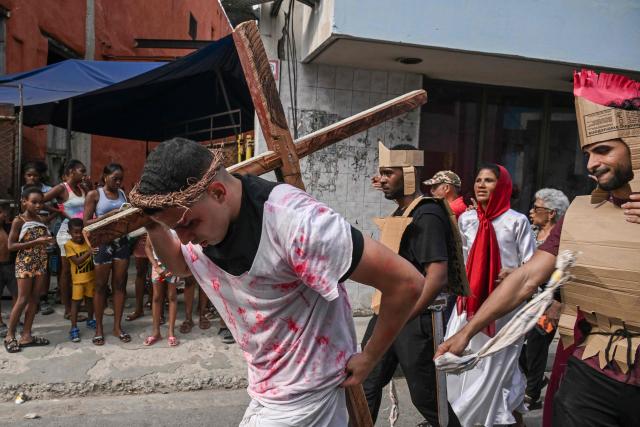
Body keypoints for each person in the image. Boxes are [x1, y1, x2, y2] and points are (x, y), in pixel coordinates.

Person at [128, 138, 426, 425]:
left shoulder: (299, 225)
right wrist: (154, 228)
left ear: (219, 193)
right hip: (266, 387)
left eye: (188, 225)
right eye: (174, 229)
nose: (185, 239)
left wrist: (371, 356)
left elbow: (406, 282)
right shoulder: (199, 217)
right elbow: (182, 264)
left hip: (309, 396)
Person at [436, 69, 640, 427]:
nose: (591, 164)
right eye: (588, 153)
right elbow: (528, 276)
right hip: (591, 373)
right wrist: (467, 332)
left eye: (604, 150)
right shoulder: (578, 215)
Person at [362, 143, 463, 426]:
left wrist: (404, 316)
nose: (381, 179)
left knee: (427, 398)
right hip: (388, 314)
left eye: (388, 173)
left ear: (410, 174)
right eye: (380, 173)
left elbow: (437, 276)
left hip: (414, 319)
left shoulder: (427, 215)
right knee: (363, 385)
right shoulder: (401, 214)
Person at [445, 163, 536, 427]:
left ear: (503, 186)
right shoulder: (467, 220)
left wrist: (514, 272)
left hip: (504, 311)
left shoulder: (516, 221)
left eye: (489, 180)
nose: (481, 185)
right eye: (478, 180)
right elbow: (462, 259)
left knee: (497, 371)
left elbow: (532, 266)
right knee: (464, 368)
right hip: (468, 306)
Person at [518, 188, 569, 408]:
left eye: (537, 208)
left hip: (549, 303)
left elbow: (565, 273)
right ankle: (537, 380)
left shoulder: (562, 238)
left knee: (537, 345)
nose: (531, 211)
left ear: (551, 213)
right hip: (526, 301)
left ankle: (532, 393)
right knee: (519, 347)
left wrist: (557, 304)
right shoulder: (529, 231)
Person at [3, 187, 57, 352]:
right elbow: (11, 246)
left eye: (41, 202)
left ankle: (26, 336)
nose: (38, 205)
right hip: (25, 263)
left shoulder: (41, 219)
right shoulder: (19, 221)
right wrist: (36, 242)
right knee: (22, 299)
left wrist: (49, 241)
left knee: (35, 299)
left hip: (40, 262)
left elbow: (44, 240)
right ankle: (10, 336)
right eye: (34, 202)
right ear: (24, 202)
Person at [83, 163, 131, 346]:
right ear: (104, 176)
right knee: (101, 287)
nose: (118, 182)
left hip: (121, 243)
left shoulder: (123, 194)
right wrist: (110, 215)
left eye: (120, 179)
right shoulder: (94, 194)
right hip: (102, 244)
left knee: (120, 285)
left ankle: (117, 327)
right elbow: (86, 223)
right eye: (115, 178)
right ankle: (99, 328)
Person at [44, 160, 88, 321]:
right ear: (70, 171)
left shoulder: (82, 188)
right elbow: (39, 200)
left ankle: (77, 302)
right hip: (66, 233)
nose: (84, 174)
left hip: (81, 233)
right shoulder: (62, 188)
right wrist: (57, 211)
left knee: (81, 268)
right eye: (81, 171)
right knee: (66, 271)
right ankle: (68, 308)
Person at [22, 161, 55, 316]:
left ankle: (43, 297)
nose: (32, 178)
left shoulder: (48, 190)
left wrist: (47, 220)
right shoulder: (23, 191)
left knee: (44, 266)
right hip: (27, 232)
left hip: (43, 230)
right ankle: (30, 298)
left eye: (35, 175)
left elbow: (57, 208)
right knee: (29, 264)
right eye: (29, 175)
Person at [144, 233, 179, 347]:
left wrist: (174, 266)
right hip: (157, 266)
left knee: (172, 296)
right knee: (157, 297)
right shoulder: (154, 226)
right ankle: (156, 332)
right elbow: (148, 247)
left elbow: (182, 247)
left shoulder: (175, 226)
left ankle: (171, 333)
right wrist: (156, 266)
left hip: (173, 266)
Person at [64, 218, 96, 343]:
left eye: (80, 232)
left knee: (89, 300)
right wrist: (89, 252)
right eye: (75, 232)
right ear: (69, 232)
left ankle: (90, 319)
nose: (78, 235)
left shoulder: (87, 242)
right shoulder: (68, 245)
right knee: (76, 304)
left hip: (90, 278)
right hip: (78, 281)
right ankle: (73, 327)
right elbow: (76, 262)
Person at [0, 205, 17, 338]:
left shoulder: (9, 227)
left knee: (17, 294)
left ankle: (15, 319)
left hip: (10, 265)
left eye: (2, 213)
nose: (3, 215)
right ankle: (0, 324)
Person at [126, 230, 148, 322]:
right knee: (140, 273)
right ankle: (139, 309)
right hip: (140, 237)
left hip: (155, 236)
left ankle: (159, 312)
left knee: (157, 275)